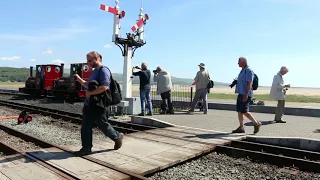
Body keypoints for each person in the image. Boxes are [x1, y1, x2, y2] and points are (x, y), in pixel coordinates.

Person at [73, 51, 124, 156]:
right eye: (87, 61)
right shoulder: (95, 71)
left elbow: (105, 87)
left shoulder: (103, 70)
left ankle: (117, 137)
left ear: (96, 58)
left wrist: (90, 93)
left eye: (89, 60)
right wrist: (79, 80)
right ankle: (86, 148)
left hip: (99, 104)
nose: (88, 63)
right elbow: (89, 85)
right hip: (90, 104)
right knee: (85, 126)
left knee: (103, 125)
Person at [232, 57, 261, 134]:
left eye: (239, 62)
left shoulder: (248, 70)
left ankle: (256, 123)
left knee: (244, 111)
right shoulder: (243, 70)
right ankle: (241, 127)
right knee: (239, 111)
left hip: (245, 94)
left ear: (243, 62)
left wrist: (246, 94)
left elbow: (249, 83)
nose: (238, 63)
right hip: (241, 93)